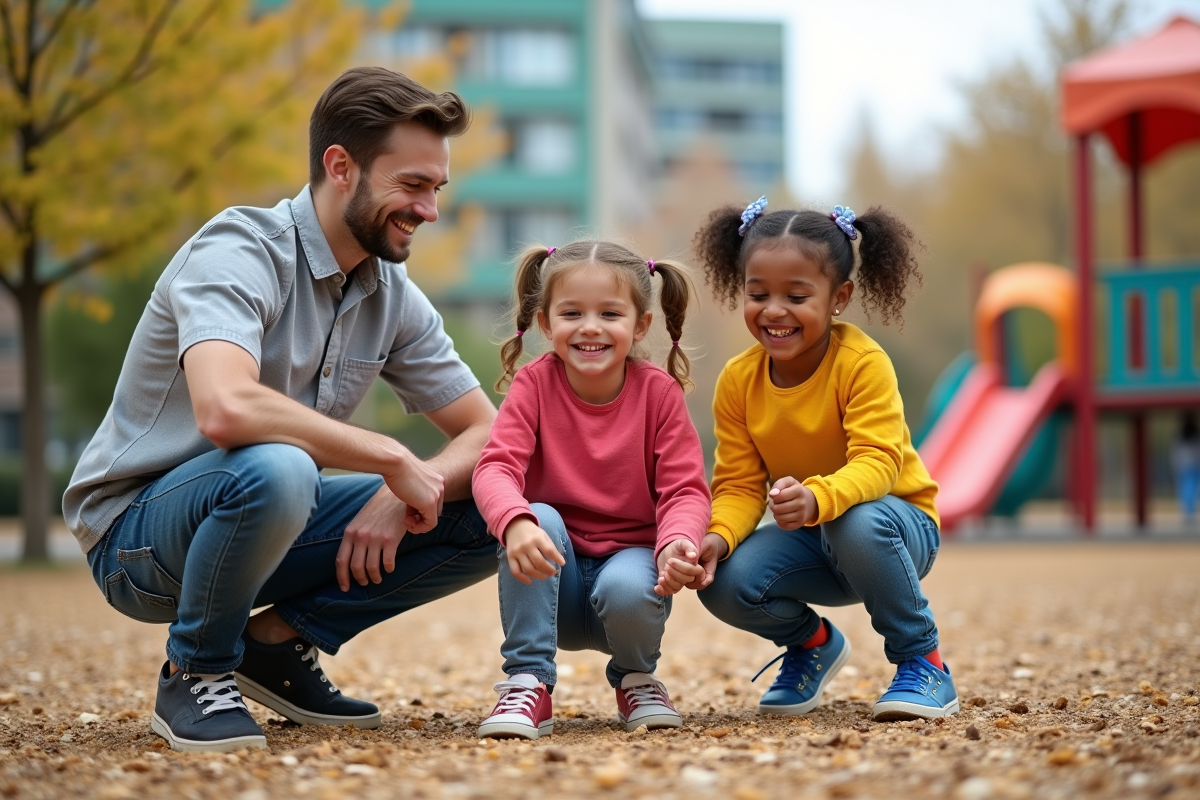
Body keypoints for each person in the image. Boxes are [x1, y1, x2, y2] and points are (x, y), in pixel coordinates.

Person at [62, 67, 500, 753]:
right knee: (281, 466)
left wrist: (410, 491)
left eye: (436, 188)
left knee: (490, 510)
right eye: (412, 185)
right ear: (341, 166)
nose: (430, 210)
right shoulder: (238, 251)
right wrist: (390, 459)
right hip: (138, 537)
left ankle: (272, 646)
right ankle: (194, 671)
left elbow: (488, 431)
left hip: (273, 513)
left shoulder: (392, 293)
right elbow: (225, 408)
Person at [690, 197, 957, 722]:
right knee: (723, 581)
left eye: (796, 295)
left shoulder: (861, 363)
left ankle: (924, 663)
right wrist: (716, 537)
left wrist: (817, 498)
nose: (773, 310)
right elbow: (740, 485)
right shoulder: (738, 380)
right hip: (816, 539)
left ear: (839, 297)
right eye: (757, 292)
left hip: (894, 528)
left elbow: (879, 463)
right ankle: (811, 644)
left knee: (854, 520)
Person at [470, 241, 712, 739]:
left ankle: (636, 678)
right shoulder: (533, 385)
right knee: (539, 514)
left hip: (628, 578)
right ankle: (527, 682)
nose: (590, 327)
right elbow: (495, 467)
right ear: (545, 323)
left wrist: (677, 542)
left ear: (640, 325)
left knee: (627, 583)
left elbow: (685, 489)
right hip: (549, 580)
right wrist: (513, 521)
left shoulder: (659, 394)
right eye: (572, 312)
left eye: (610, 313)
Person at [1172, 412, 1200, 524]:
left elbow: (1175, 453)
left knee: (1187, 490)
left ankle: (1188, 513)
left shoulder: (1180, 436)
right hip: (1191, 466)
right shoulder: (1192, 435)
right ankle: (1189, 513)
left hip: (1186, 466)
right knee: (1191, 490)